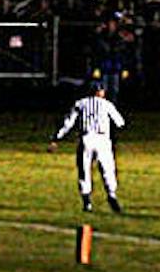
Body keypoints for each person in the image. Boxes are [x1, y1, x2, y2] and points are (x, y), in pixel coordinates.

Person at [52, 76, 127, 214]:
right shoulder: (106, 104)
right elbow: (120, 122)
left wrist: (57, 137)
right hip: (103, 139)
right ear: (100, 92)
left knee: (84, 169)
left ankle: (87, 201)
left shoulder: (80, 103)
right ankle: (112, 195)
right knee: (107, 169)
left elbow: (68, 123)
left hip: (86, 138)